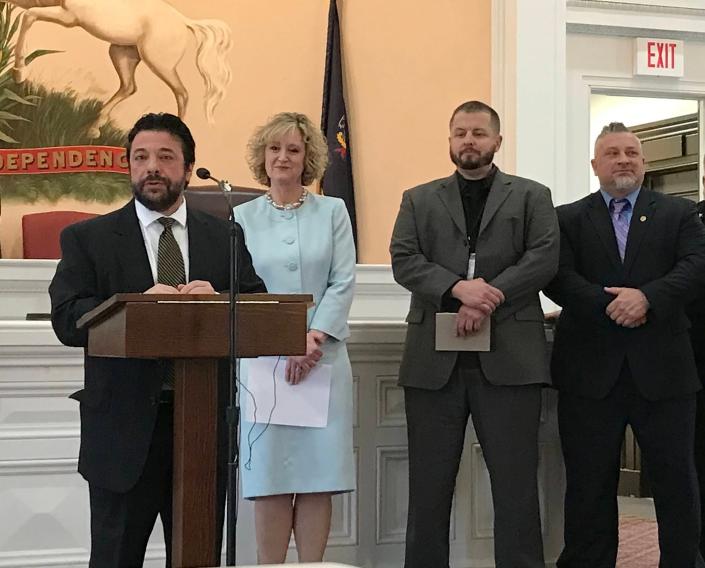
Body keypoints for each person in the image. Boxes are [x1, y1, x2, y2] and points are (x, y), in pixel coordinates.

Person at [49, 112, 266, 568]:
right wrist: (133, 307)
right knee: (115, 557)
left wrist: (220, 298)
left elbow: (257, 305)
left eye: (166, 157)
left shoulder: (223, 235)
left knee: (197, 557)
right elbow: (68, 319)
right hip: (122, 431)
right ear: (128, 166)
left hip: (202, 427)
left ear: (188, 168)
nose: (152, 167)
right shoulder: (89, 239)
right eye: (140, 157)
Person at [389, 100, 559, 568]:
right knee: (428, 489)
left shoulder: (532, 196)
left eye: (479, 133)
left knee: (516, 488)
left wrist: (488, 297)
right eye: (460, 132)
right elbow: (404, 260)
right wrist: (457, 289)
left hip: (512, 359)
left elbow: (543, 258)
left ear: (497, 141)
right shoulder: (417, 198)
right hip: (433, 362)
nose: (469, 141)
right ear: (449, 141)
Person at [545, 122, 705, 568]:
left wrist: (647, 298)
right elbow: (557, 275)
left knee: (676, 482)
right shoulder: (567, 218)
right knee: (589, 483)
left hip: (665, 372)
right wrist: (611, 304)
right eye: (612, 153)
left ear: (644, 162)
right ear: (595, 165)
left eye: (631, 153)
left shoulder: (679, 213)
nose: (623, 160)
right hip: (589, 374)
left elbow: (697, 266)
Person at [234, 111, 355, 564]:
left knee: (317, 473)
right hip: (264, 363)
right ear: (262, 157)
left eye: (293, 149)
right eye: (274, 149)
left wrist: (312, 338)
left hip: (322, 360)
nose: (282, 157)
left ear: (308, 159)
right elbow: (243, 286)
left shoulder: (333, 211)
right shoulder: (240, 217)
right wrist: (283, 340)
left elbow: (343, 280)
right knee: (270, 473)